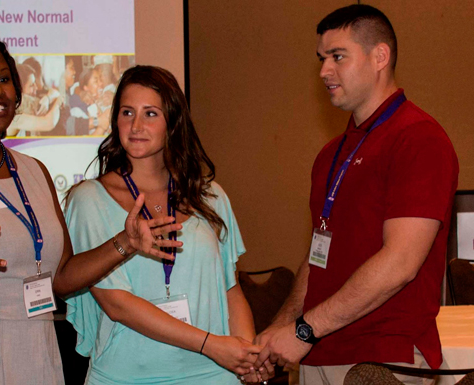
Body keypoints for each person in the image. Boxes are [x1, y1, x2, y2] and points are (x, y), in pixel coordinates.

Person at [0, 29, 182, 385]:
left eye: (3, 78)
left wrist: (125, 243)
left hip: (35, 353)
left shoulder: (33, 171)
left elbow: (60, 278)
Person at [253, 5, 459, 384]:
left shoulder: (419, 139)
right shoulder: (330, 154)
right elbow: (319, 255)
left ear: (380, 56)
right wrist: (282, 326)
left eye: (338, 56)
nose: (323, 71)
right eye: (321, 58)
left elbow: (401, 262)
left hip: (382, 357)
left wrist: (303, 331)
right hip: (319, 352)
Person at [64, 65, 274, 385]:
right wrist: (211, 345)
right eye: (127, 112)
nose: (136, 125)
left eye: (150, 113)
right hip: (127, 377)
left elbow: (230, 290)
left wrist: (246, 358)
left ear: (173, 123)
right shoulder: (89, 199)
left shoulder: (210, 196)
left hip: (214, 375)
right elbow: (117, 303)